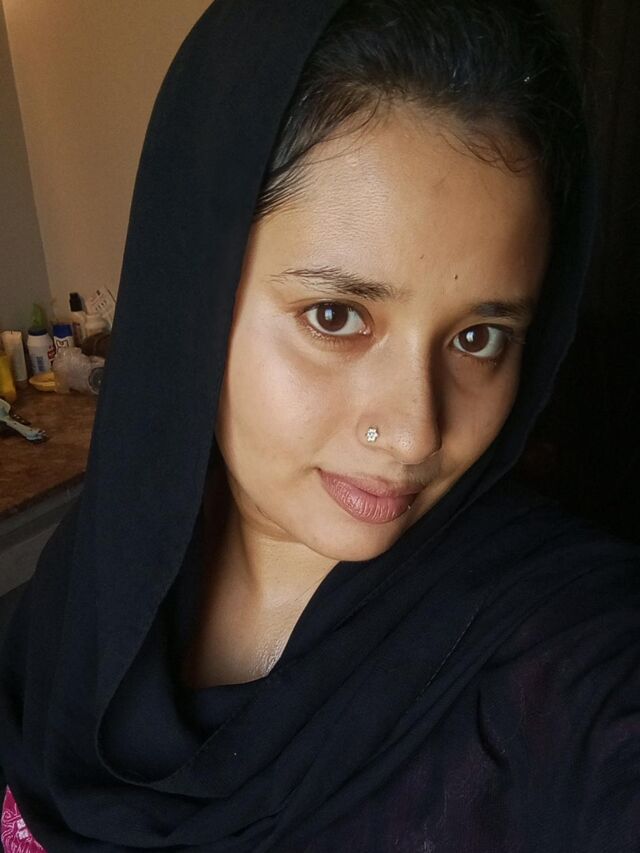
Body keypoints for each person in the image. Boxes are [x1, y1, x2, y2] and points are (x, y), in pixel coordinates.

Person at [0, 0, 638, 850]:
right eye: (336, 316)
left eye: (481, 337)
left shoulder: (559, 653)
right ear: (193, 296)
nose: (415, 433)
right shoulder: (83, 583)